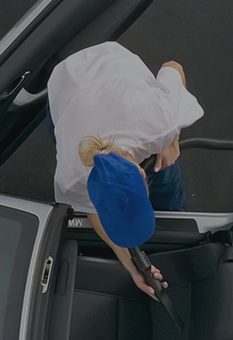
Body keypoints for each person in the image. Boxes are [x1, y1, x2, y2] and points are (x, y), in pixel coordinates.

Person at [47, 42, 203, 298]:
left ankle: (177, 219)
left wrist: (173, 138)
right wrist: (133, 267)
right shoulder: (70, 177)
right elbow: (92, 212)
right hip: (66, 87)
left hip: (110, 62)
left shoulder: (159, 121)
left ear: (143, 173)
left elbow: (173, 66)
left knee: (167, 179)